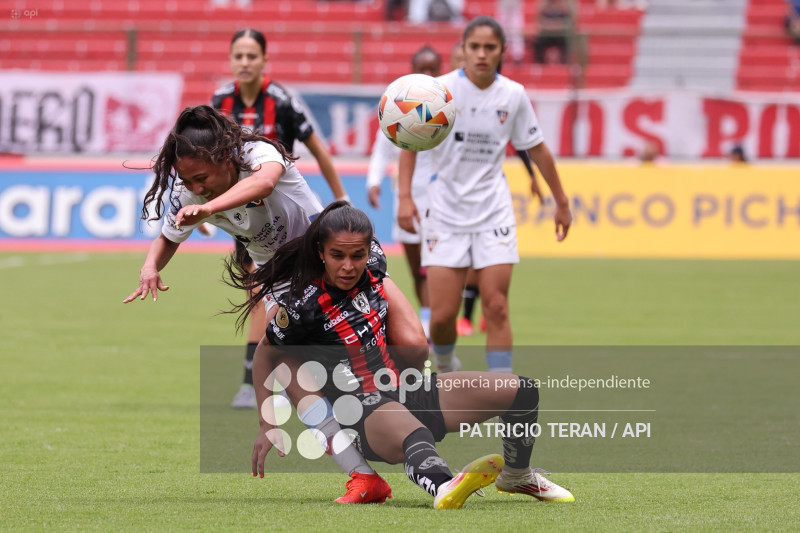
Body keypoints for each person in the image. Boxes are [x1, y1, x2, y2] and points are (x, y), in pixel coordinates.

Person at [123, 105, 402, 504]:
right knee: (283, 367)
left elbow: (266, 183)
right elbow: (169, 235)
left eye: (201, 178)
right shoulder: (190, 190)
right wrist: (150, 265)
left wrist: (208, 209)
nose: (195, 188)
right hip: (285, 280)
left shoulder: (257, 153)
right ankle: (361, 475)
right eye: (188, 181)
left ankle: (418, 432)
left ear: (223, 157)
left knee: (411, 342)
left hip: (334, 256)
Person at [229, 201, 575, 509]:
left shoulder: (375, 261)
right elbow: (265, 356)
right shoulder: (303, 305)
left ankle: (517, 475)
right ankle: (443, 488)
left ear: (370, 250)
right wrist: (267, 424)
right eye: (338, 256)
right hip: (365, 412)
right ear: (321, 251)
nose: (349, 266)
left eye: (358, 255)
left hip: (408, 388)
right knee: (416, 434)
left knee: (522, 391)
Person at [397, 16, 571, 374]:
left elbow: (537, 150)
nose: (481, 54)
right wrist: (404, 197)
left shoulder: (513, 94)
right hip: (444, 212)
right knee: (443, 316)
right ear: (462, 49)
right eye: (474, 47)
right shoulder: (439, 91)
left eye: (489, 48)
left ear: (502, 51)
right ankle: (445, 363)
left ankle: (501, 383)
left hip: (494, 212)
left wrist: (562, 202)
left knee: (496, 305)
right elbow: (409, 143)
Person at [211, 28, 349, 410]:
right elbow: (206, 158)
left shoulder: (283, 101)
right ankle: (251, 382)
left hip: (290, 217)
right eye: (238, 55)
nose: (244, 63)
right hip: (248, 221)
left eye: (251, 56)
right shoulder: (221, 101)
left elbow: (318, 150)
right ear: (230, 59)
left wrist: (341, 198)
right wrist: (206, 208)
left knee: (304, 298)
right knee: (258, 297)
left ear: (264, 60)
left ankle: (314, 373)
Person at [366, 45, 443, 339]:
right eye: (421, 69)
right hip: (407, 199)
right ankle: (427, 317)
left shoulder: (447, 108)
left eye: (433, 69)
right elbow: (382, 149)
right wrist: (374, 182)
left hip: (441, 200)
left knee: (437, 266)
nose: (428, 74)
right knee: (416, 267)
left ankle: (435, 321)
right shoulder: (398, 109)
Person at [533, 0, 574, 64]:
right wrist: (550, 25)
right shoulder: (544, 5)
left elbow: (569, 22)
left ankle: (565, 64)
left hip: (560, 34)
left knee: (567, 42)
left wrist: (558, 25)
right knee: (538, 43)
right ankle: (540, 64)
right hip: (547, 34)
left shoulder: (564, 5)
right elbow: (539, 22)